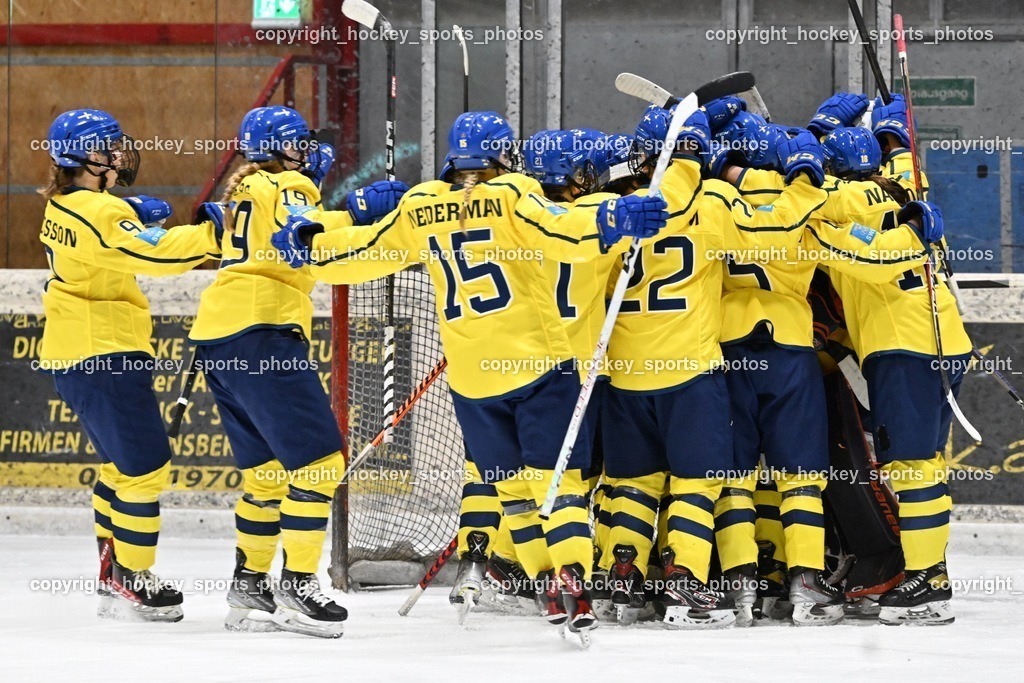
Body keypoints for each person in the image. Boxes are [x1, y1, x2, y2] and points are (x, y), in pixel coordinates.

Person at [271, 110, 671, 644]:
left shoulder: (420, 206)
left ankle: (543, 586)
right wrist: (614, 220)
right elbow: (560, 230)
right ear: (504, 155)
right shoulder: (512, 194)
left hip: (473, 380)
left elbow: (366, 254)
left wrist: (310, 246)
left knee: (511, 494)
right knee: (561, 488)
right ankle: (570, 581)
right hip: (539, 366)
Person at [706, 101, 941, 626]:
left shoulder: (712, 197)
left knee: (736, 476)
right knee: (801, 477)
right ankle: (806, 581)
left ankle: (742, 581)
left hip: (727, 349)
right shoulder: (810, 198)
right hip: (794, 349)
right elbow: (846, 187)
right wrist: (892, 144)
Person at [187, 105, 407, 638]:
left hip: (219, 336)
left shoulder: (249, 186)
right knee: (319, 465)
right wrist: (355, 207)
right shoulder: (287, 185)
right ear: (282, 149)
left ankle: (249, 584)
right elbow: (299, 233)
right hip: (263, 331)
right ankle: (298, 582)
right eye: (300, 144)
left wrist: (314, 185)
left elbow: (277, 230)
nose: (307, 152)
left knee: (266, 475)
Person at [38, 108, 223, 621]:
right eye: (110, 149)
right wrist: (214, 235)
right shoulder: (99, 213)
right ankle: (133, 577)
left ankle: (110, 572)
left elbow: (110, 241)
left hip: (77, 352)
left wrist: (128, 212)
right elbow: (156, 255)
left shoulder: (65, 205)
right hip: (104, 353)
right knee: (145, 466)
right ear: (86, 158)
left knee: (121, 466)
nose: (120, 156)